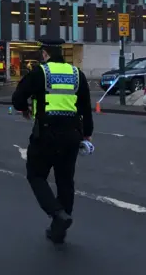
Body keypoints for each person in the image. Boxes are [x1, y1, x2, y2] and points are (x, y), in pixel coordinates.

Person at [12, 37, 93, 244]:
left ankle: (57, 214)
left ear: (45, 53)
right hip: (72, 134)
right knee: (65, 180)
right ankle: (60, 229)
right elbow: (85, 106)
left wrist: (24, 108)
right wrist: (87, 133)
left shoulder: (40, 72)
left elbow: (18, 97)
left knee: (36, 175)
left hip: (46, 134)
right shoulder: (77, 74)